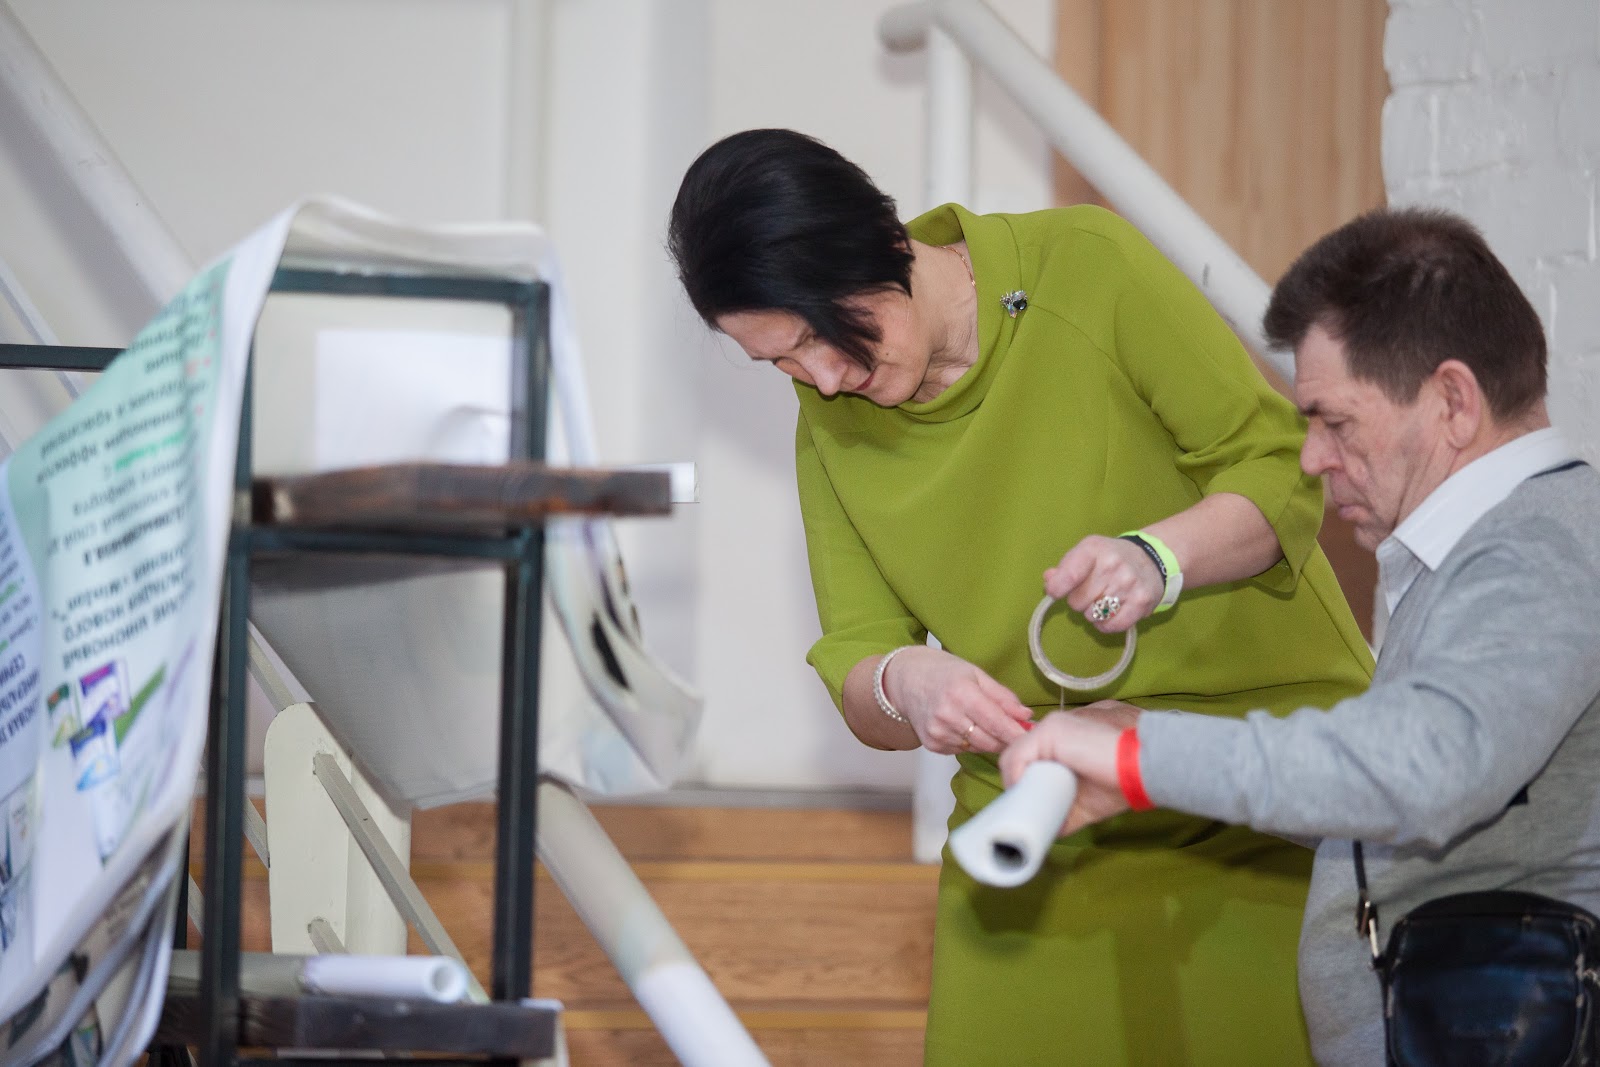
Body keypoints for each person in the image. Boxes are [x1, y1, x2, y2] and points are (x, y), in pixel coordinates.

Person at [668, 128, 1374, 1065]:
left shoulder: (1085, 265)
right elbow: (858, 658)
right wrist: (907, 681)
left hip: (1253, 783)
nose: (825, 379)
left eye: (820, 334)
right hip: (1042, 814)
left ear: (880, 241)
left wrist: (1158, 558)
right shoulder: (831, 422)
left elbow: (1281, 467)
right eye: (783, 363)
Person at [1001, 206, 1600, 1064]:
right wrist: (1144, 745)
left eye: (1334, 421)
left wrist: (1142, 757)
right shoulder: (1488, 544)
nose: (1312, 457)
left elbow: (1425, 771)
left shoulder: (1536, 549)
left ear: (1453, 402)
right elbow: (1393, 799)